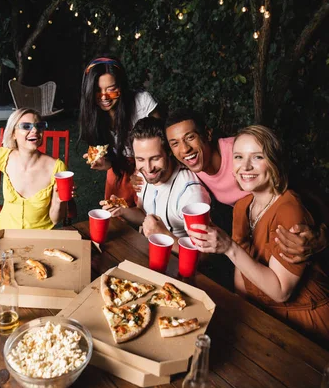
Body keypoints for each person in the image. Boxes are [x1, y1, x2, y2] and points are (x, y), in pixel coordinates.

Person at [189, 125, 329, 346]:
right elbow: (241, 276)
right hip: (263, 315)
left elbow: (280, 291)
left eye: (257, 157)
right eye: (238, 157)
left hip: (304, 324)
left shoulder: (290, 209)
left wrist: (228, 248)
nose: (245, 166)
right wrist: (242, 312)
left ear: (274, 161)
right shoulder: (242, 206)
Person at [164, 108, 328, 263]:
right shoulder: (188, 163)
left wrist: (323, 234)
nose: (184, 149)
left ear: (207, 133)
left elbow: (303, 187)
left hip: (290, 225)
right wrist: (139, 174)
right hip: (254, 231)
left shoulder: (241, 152)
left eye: (190, 137)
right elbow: (156, 162)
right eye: (175, 143)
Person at [100, 117, 210, 252]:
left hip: (175, 264)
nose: (148, 168)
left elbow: (203, 254)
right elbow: (143, 214)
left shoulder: (191, 194)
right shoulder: (142, 175)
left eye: (155, 158)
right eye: (140, 159)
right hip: (146, 252)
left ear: (169, 152)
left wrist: (164, 235)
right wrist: (122, 210)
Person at [79, 55, 159, 207]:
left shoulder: (142, 102)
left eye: (112, 89)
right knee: (116, 218)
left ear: (122, 86)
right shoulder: (93, 114)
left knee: (150, 218)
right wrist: (106, 163)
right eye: (97, 90)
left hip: (149, 166)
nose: (104, 97)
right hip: (119, 170)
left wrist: (142, 171)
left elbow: (164, 143)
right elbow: (113, 157)